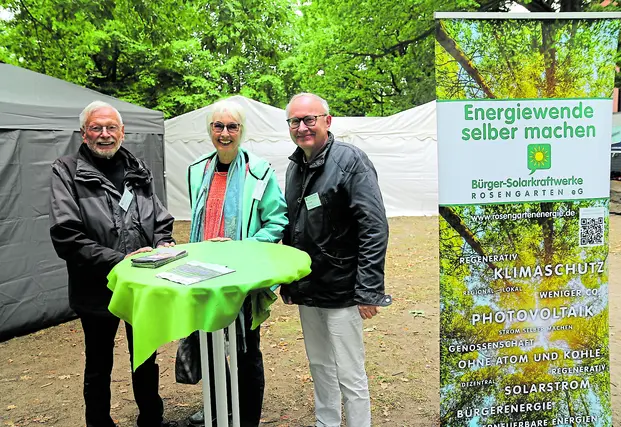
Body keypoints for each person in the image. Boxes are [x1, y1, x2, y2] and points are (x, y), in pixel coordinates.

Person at [49, 101, 177, 427]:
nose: (104, 134)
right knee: (98, 364)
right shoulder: (66, 171)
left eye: (111, 128)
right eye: (97, 128)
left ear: (122, 131)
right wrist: (120, 262)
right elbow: (67, 236)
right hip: (96, 286)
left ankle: (152, 419)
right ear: (83, 133)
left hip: (143, 285)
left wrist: (163, 242)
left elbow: (159, 217)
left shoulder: (137, 169)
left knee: (146, 358)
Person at [281, 93, 392, 427]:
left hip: (343, 289)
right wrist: (289, 281)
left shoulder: (351, 162)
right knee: (319, 365)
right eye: (295, 121)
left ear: (327, 121)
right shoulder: (294, 166)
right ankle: (325, 422)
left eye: (309, 119)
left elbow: (374, 227)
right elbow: (292, 226)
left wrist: (368, 290)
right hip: (309, 287)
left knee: (350, 372)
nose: (302, 127)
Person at [185, 99, 288, 427]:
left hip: (242, 276)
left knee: (245, 350)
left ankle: (246, 419)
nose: (225, 133)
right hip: (205, 276)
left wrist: (244, 246)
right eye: (218, 126)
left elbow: (277, 219)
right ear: (210, 131)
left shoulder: (258, 172)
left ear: (242, 131)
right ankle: (217, 408)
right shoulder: (198, 169)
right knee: (208, 343)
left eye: (232, 127)